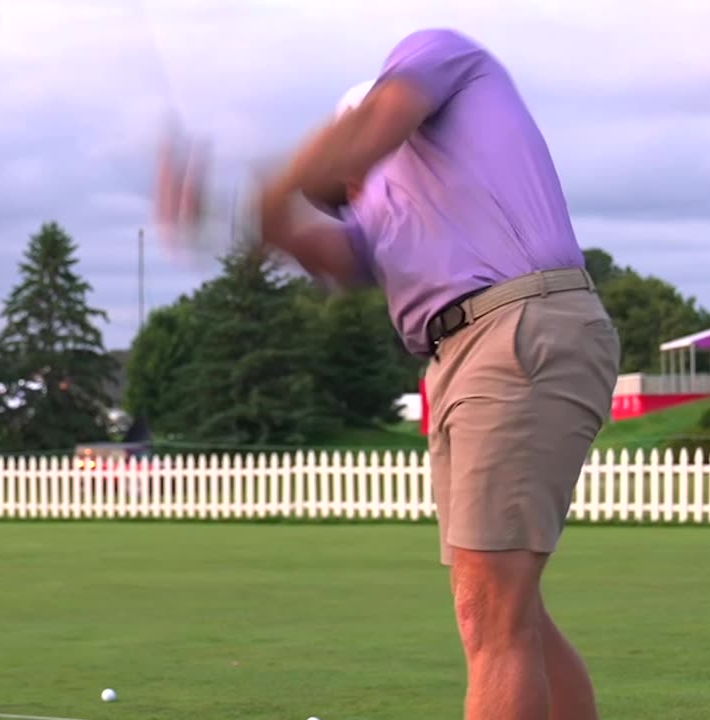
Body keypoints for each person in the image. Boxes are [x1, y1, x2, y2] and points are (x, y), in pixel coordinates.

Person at [155, 28, 621, 720]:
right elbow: (332, 255)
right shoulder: (378, 208)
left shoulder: (438, 60)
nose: (351, 192)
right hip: (461, 356)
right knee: (500, 611)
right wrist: (229, 217)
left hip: (522, 324)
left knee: (491, 611)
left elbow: (370, 129)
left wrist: (276, 186)